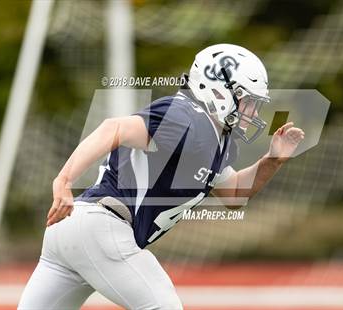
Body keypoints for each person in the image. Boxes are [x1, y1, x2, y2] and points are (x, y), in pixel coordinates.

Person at [18, 44, 304, 310]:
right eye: (247, 101)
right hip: (104, 226)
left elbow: (234, 194)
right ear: (218, 89)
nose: (252, 111)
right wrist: (65, 179)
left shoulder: (218, 140)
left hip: (71, 231)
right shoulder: (185, 116)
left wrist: (272, 160)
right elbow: (113, 128)